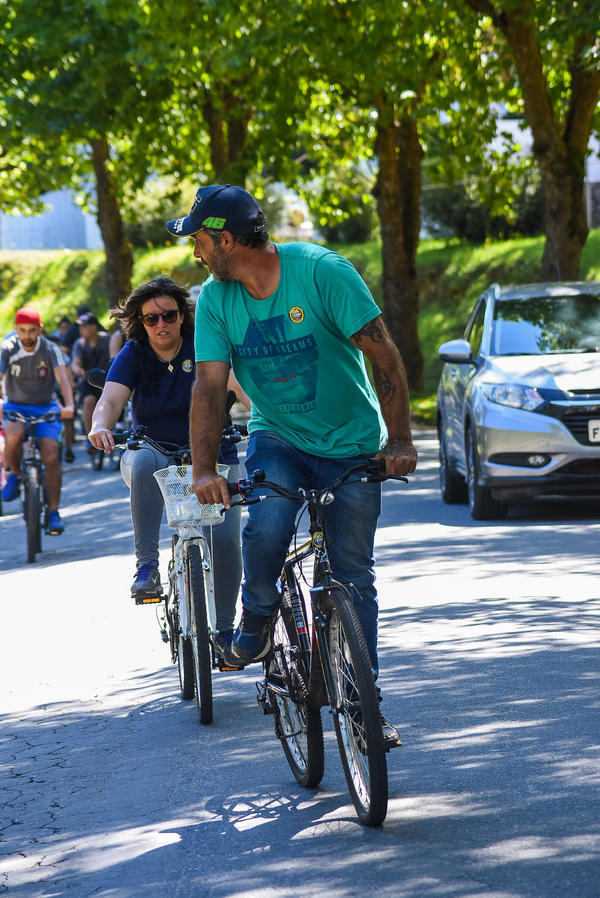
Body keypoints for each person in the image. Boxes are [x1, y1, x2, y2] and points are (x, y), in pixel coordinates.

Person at [167, 184, 418, 746]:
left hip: (351, 441)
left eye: (201, 240)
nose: (196, 251)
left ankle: (363, 702)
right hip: (277, 436)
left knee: (353, 576)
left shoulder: (323, 272)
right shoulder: (214, 298)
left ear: (226, 238)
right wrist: (204, 471)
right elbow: (209, 389)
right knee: (271, 521)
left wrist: (399, 439)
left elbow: (384, 354)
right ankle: (256, 621)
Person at [88, 276, 249, 650]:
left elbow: (241, 388)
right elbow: (110, 401)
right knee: (143, 463)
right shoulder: (134, 353)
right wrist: (100, 426)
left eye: (169, 316)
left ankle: (225, 632)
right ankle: (147, 567)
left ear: (182, 316)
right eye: (150, 319)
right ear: (140, 322)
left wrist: (267, 424)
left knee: (226, 542)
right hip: (155, 449)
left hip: (215, 452)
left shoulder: (205, 343)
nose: (161, 324)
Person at [0, 306, 75, 534]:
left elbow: (63, 379)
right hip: (15, 404)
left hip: (46, 406)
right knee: (12, 434)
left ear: (40, 329)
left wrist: (69, 405)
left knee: (51, 455)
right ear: (16, 329)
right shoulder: (7, 349)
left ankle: (53, 512)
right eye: (22, 331)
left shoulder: (51, 349)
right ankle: (14, 473)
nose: (27, 336)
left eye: (32, 331)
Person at [71, 312, 111, 449]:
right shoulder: (80, 344)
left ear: (94, 326)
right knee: (88, 401)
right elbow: (75, 363)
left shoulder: (107, 339)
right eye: (80, 327)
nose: (81, 329)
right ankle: (90, 436)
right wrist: (78, 370)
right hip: (88, 380)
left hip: (108, 379)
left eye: (85, 326)